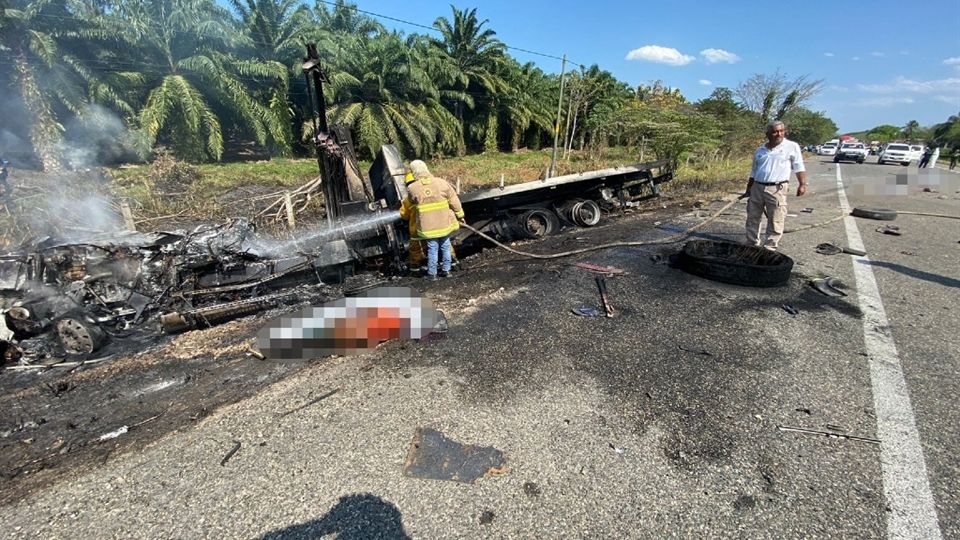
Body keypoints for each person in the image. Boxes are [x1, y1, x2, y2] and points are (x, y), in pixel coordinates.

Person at [743, 121, 807, 251]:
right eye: (775, 131)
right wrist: (749, 188)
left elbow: (799, 167)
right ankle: (751, 243)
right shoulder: (760, 150)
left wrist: (802, 184)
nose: (779, 134)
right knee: (753, 216)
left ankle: (770, 246)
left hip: (777, 188)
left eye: (781, 131)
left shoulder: (791, 146)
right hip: (757, 187)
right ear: (767, 134)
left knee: (776, 218)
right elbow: (754, 171)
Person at [399, 160, 464, 280]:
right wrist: (460, 215)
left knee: (431, 249)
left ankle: (432, 274)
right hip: (444, 225)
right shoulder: (441, 183)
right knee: (446, 247)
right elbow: (454, 201)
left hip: (426, 229)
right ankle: (448, 270)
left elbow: (405, 213)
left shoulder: (412, 190)